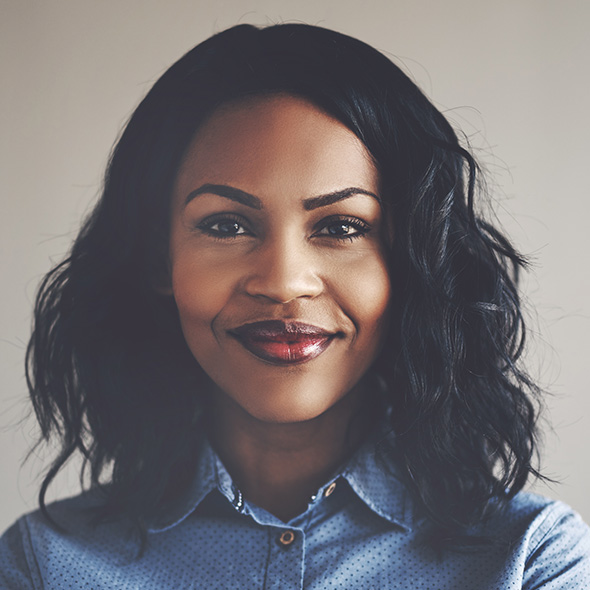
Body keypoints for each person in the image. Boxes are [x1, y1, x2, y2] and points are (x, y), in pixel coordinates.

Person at [1, 22, 588, 589]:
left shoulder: (530, 559)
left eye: (341, 226)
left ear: (412, 260)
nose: (284, 283)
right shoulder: (45, 566)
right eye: (227, 224)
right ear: (158, 260)